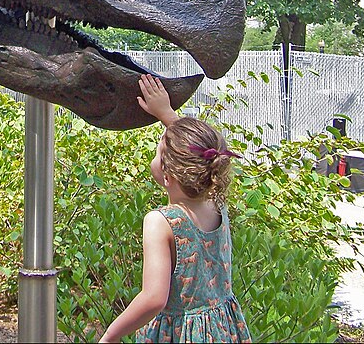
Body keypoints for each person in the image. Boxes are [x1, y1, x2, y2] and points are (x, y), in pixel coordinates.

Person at [99, 74, 251, 343]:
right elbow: (200, 150)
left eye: (157, 153)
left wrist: (110, 335)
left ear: (168, 175)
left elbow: (154, 298)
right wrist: (166, 114)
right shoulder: (216, 203)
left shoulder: (161, 222)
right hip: (223, 331)